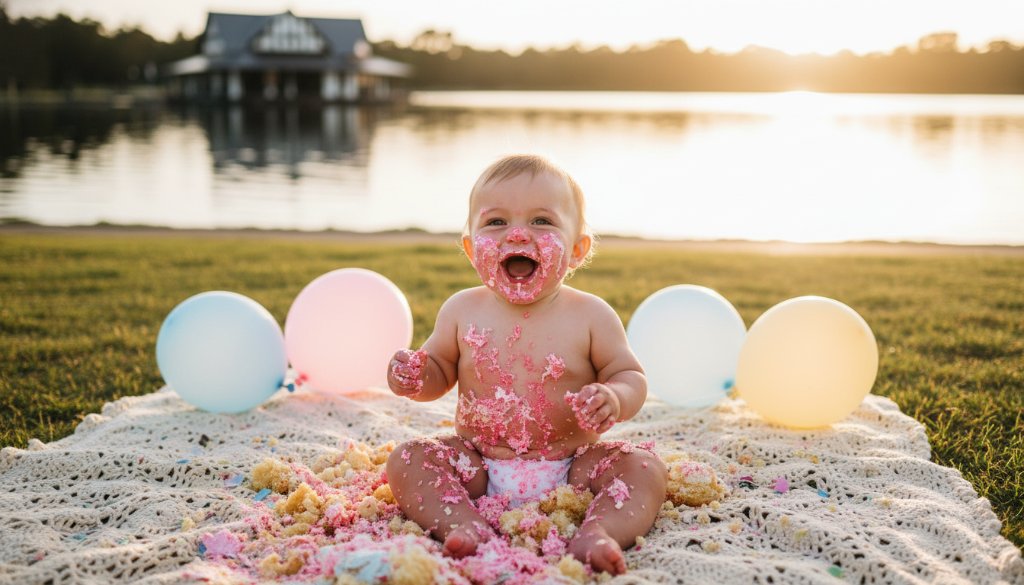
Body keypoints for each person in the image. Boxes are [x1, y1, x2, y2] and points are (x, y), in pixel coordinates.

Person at [385, 154, 667, 575]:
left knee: (643, 468)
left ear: (576, 250)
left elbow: (630, 376)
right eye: (496, 222)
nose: (517, 234)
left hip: (574, 466)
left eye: (541, 221)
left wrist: (614, 396)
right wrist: (414, 376)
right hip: (478, 464)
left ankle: (601, 531)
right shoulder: (461, 309)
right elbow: (439, 372)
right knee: (408, 459)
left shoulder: (591, 315)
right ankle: (462, 522)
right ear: (470, 247)